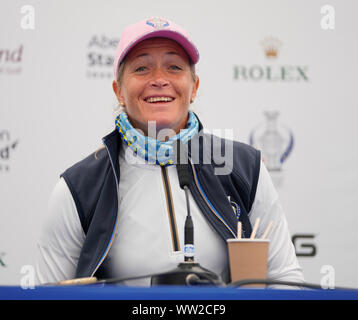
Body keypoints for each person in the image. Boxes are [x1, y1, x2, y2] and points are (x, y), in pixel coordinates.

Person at [35, 17, 304, 287]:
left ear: (194, 87)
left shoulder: (244, 167)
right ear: (118, 91)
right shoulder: (78, 188)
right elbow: (47, 294)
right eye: (141, 68)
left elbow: (284, 279)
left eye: (174, 67)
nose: (159, 80)